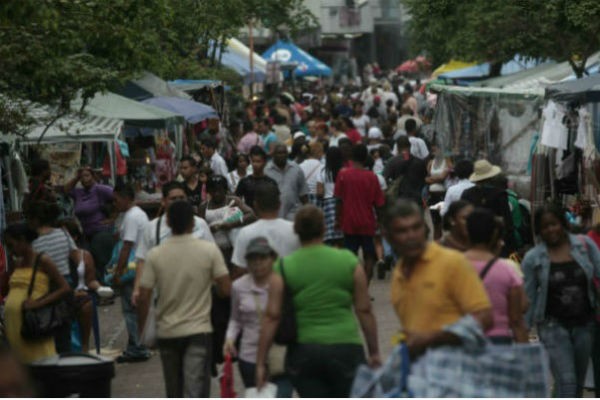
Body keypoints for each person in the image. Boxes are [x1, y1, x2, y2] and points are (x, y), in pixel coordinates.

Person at [255, 205, 381, 397]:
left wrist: (260, 362)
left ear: (296, 231)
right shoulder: (348, 261)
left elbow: (272, 316)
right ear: (324, 229)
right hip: (345, 347)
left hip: (304, 353)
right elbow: (364, 310)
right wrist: (374, 352)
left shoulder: (283, 267)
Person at [138, 200, 231, 398]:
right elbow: (225, 288)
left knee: (173, 388)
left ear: (168, 223)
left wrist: (145, 331)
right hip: (199, 330)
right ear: (193, 223)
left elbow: (143, 296)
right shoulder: (209, 251)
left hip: (167, 331)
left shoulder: (155, 255)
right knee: (196, 387)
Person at [384, 200, 493, 358]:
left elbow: (484, 317)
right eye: (402, 231)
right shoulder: (399, 272)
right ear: (389, 237)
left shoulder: (452, 262)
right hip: (419, 372)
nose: (411, 236)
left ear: (425, 229)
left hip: (457, 370)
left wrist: (432, 338)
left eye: (416, 227)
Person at [522, 204, 600, 397]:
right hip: (552, 326)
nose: (550, 230)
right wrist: (523, 331)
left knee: (577, 382)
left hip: (585, 324)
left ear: (563, 223)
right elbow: (528, 297)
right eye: (545, 226)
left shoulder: (584, 245)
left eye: (554, 224)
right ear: (539, 230)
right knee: (567, 380)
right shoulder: (533, 258)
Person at [224, 238, 293, 397]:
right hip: (249, 357)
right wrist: (229, 339)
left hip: (280, 355)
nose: (258, 263)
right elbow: (235, 319)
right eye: (252, 259)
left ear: (272, 259)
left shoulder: (283, 284)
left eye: (262, 258)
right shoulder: (238, 286)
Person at [132, 181, 215, 306]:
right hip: (165, 296)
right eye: (173, 199)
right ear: (163, 201)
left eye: (181, 198)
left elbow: (212, 256)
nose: (178, 201)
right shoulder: (152, 228)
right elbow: (142, 260)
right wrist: (137, 289)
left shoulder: (200, 224)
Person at [1, 223, 71, 363]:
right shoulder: (17, 263)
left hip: (33, 324)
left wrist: (37, 304)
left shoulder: (42, 260)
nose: (10, 251)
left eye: (11, 245)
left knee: (40, 361)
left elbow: (64, 288)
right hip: (14, 323)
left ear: (22, 240)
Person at [464, 209, 528, 344]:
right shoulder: (507, 269)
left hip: (464, 340)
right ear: (494, 235)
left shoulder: (452, 266)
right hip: (499, 342)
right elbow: (519, 314)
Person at [27, 201, 76, 354]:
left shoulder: (33, 242)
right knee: (65, 332)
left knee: (48, 331)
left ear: (34, 220)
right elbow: (75, 257)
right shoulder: (63, 233)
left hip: (47, 288)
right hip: (67, 285)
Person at [60, 219, 113, 352]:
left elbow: (90, 280)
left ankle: (84, 346)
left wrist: (100, 288)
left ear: (75, 237)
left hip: (81, 294)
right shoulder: (55, 256)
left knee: (86, 304)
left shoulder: (85, 255)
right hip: (62, 295)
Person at [335, 144, 385, 281]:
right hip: (367, 222)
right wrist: (380, 222)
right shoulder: (372, 177)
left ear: (351, 157)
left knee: (350, 256)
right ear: (365, 158)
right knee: (369, 256)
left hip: (349, 221)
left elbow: (338, 200)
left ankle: (354, 287)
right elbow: (379, 204)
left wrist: (337, 219)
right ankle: (365, 286)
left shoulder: (343, 174)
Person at [112, 183, 151, 363]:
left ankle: (137, 347)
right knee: (134, 308)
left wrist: (118, 271)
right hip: (138, 266)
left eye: (116, 199)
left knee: (131, 309)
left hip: (133, 269)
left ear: (125, 197)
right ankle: (135, 344)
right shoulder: (137, 214)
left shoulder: (131, 216)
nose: (115, 203)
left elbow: (127, 246)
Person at [231, 182, 300, 270]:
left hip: (257, 282)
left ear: (255, 205)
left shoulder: (246, 233)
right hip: (290, 281)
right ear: (279, 205)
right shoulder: (295, 229)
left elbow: (240, 268)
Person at [462, 159, 516, 256]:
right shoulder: (499, 194)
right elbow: (508, 222)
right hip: (495, 240)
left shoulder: (467, 194)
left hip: (474, 239)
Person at [64, 166, 114, 242]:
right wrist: (77, 177)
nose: (84, 179)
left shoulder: (100, 189)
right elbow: (66, 190)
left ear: (93, 176)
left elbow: (119, 197)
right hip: (86, 233)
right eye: (82, 177)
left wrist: (113, 218)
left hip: (100, 232)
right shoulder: (79, 192)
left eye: (87, 175)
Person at [265, 144, 309, 221]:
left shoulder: (296, 169)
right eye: (279, 153)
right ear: (273, 155)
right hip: (274, 215)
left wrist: (308, 211)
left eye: (284, 153)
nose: (282, 155)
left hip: (294, 214)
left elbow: (303, 193)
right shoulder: (266, 171)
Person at [384, 136, 428, 206]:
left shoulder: (391, 162)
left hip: (399, 201)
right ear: (410, 146)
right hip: (417, 200)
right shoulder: (419, 162)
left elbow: (385, 181)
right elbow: (425, 180)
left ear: (397, 147)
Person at [317, 146, 345, 245]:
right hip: (343, 204)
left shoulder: (323, 172)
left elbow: (319, 192)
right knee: (342, 237)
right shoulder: (344, 172)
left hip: (328, 204)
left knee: (329, 238)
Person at [425, 142, 452, 239]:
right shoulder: (431, 163)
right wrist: (437, 178)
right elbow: (426, 178)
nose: (434, 152)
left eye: (435, 150)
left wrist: (433, 179)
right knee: (435, 223)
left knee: (444, 222)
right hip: (432, 194)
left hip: (442, 194)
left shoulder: (447, 161)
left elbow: (443, 177)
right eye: (432, 150)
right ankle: (437, 242)